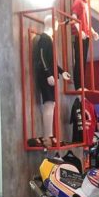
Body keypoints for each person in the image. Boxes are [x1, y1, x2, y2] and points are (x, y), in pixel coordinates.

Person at [31, 14, 71, 146]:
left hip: (49, 75)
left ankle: (49, 135)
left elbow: (51, 60)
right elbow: (42, 57)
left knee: (51, 104)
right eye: (56, 22)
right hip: (45, 75)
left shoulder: (49, 38)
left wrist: (61, 71)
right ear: (51, 23)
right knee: (49, 104)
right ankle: (47, 136)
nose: (58, 25)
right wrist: (48, 74)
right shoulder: (44, 38)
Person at [71, 0, 99, 90]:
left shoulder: (85, 4)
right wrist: (79, 30)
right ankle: (78, 85)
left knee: (83, 61)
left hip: (85, 35)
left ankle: (81, 85)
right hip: (80, 35)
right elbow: (73, 17)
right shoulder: (78, 2)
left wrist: (93, 32)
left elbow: (86, 22)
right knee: (79, 60)